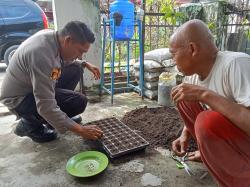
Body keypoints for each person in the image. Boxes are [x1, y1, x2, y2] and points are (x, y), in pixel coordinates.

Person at [170, 19, 250, 186]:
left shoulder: (236, 64)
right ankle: (214, 156)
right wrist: (185, 135)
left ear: (192, 49)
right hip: (234, 139)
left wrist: (204, 94)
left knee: (206, 121)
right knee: (183, 97)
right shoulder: (192, 76)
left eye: (173, 54)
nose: (173, 61)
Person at [0, 21, 103, 143]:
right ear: (68, 40)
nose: (80, 56)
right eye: (80, 51)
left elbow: (58, 63)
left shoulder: (53, 38)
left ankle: (53, 119)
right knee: (79, 101)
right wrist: (80, 130)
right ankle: (29, 125)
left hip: (34, 87)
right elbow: (45, 106)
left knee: (76, 67)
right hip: (20, 99)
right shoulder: (40, 55)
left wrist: (84, 64)